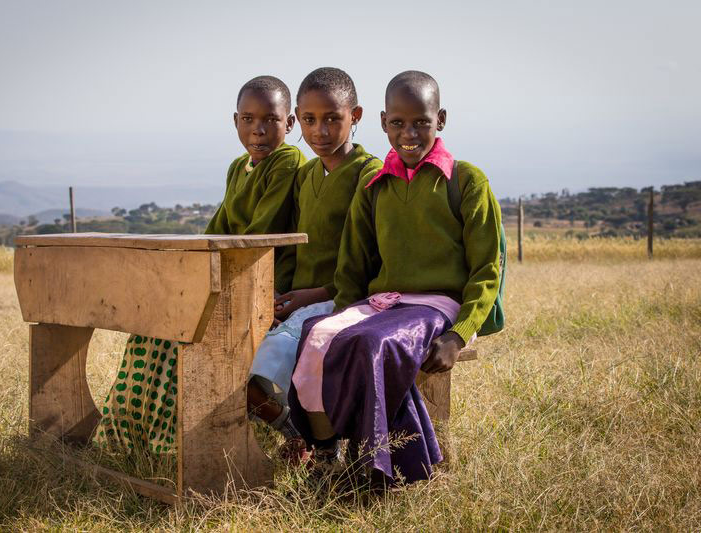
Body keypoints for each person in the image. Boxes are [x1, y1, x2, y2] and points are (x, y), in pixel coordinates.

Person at [289, 71, 503, 484]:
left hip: (437, 306)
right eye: (399, 123)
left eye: (421, 121)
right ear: (384, 121)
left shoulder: (466, 181)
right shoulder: (373, 186)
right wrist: (341, 317)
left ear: (440, 120)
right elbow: (353, 266)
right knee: (316, 333)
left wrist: (458, 336)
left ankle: (381, 467)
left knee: (370, 344)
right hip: (383, 303)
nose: (409, 133)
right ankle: (326, 454)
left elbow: (486, 269)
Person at [93, 75, 304, 454]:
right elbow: (218, 229)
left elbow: (258, 236)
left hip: (263, 281)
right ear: (235, 121)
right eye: (248, 118)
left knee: (196, 336)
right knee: (156, 328)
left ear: (289, 124)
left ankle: (282, 425)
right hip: (229, 277)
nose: (258, 130)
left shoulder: (287, 160)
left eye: (270, 120)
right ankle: (146, 431)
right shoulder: (238, 167)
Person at [246, 68, 382, 462]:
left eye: (331, 119)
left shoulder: (368, 173)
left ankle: (320, 446)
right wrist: (276, 292)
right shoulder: (305, 175)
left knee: (261, 369)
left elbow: (368, 256)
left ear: (354, 116)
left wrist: (318, 294)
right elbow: (288, 244)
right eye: (308, 120)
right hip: (295, 298)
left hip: (341, 299)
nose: (319, 131)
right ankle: (298, 433)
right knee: (229, 352)